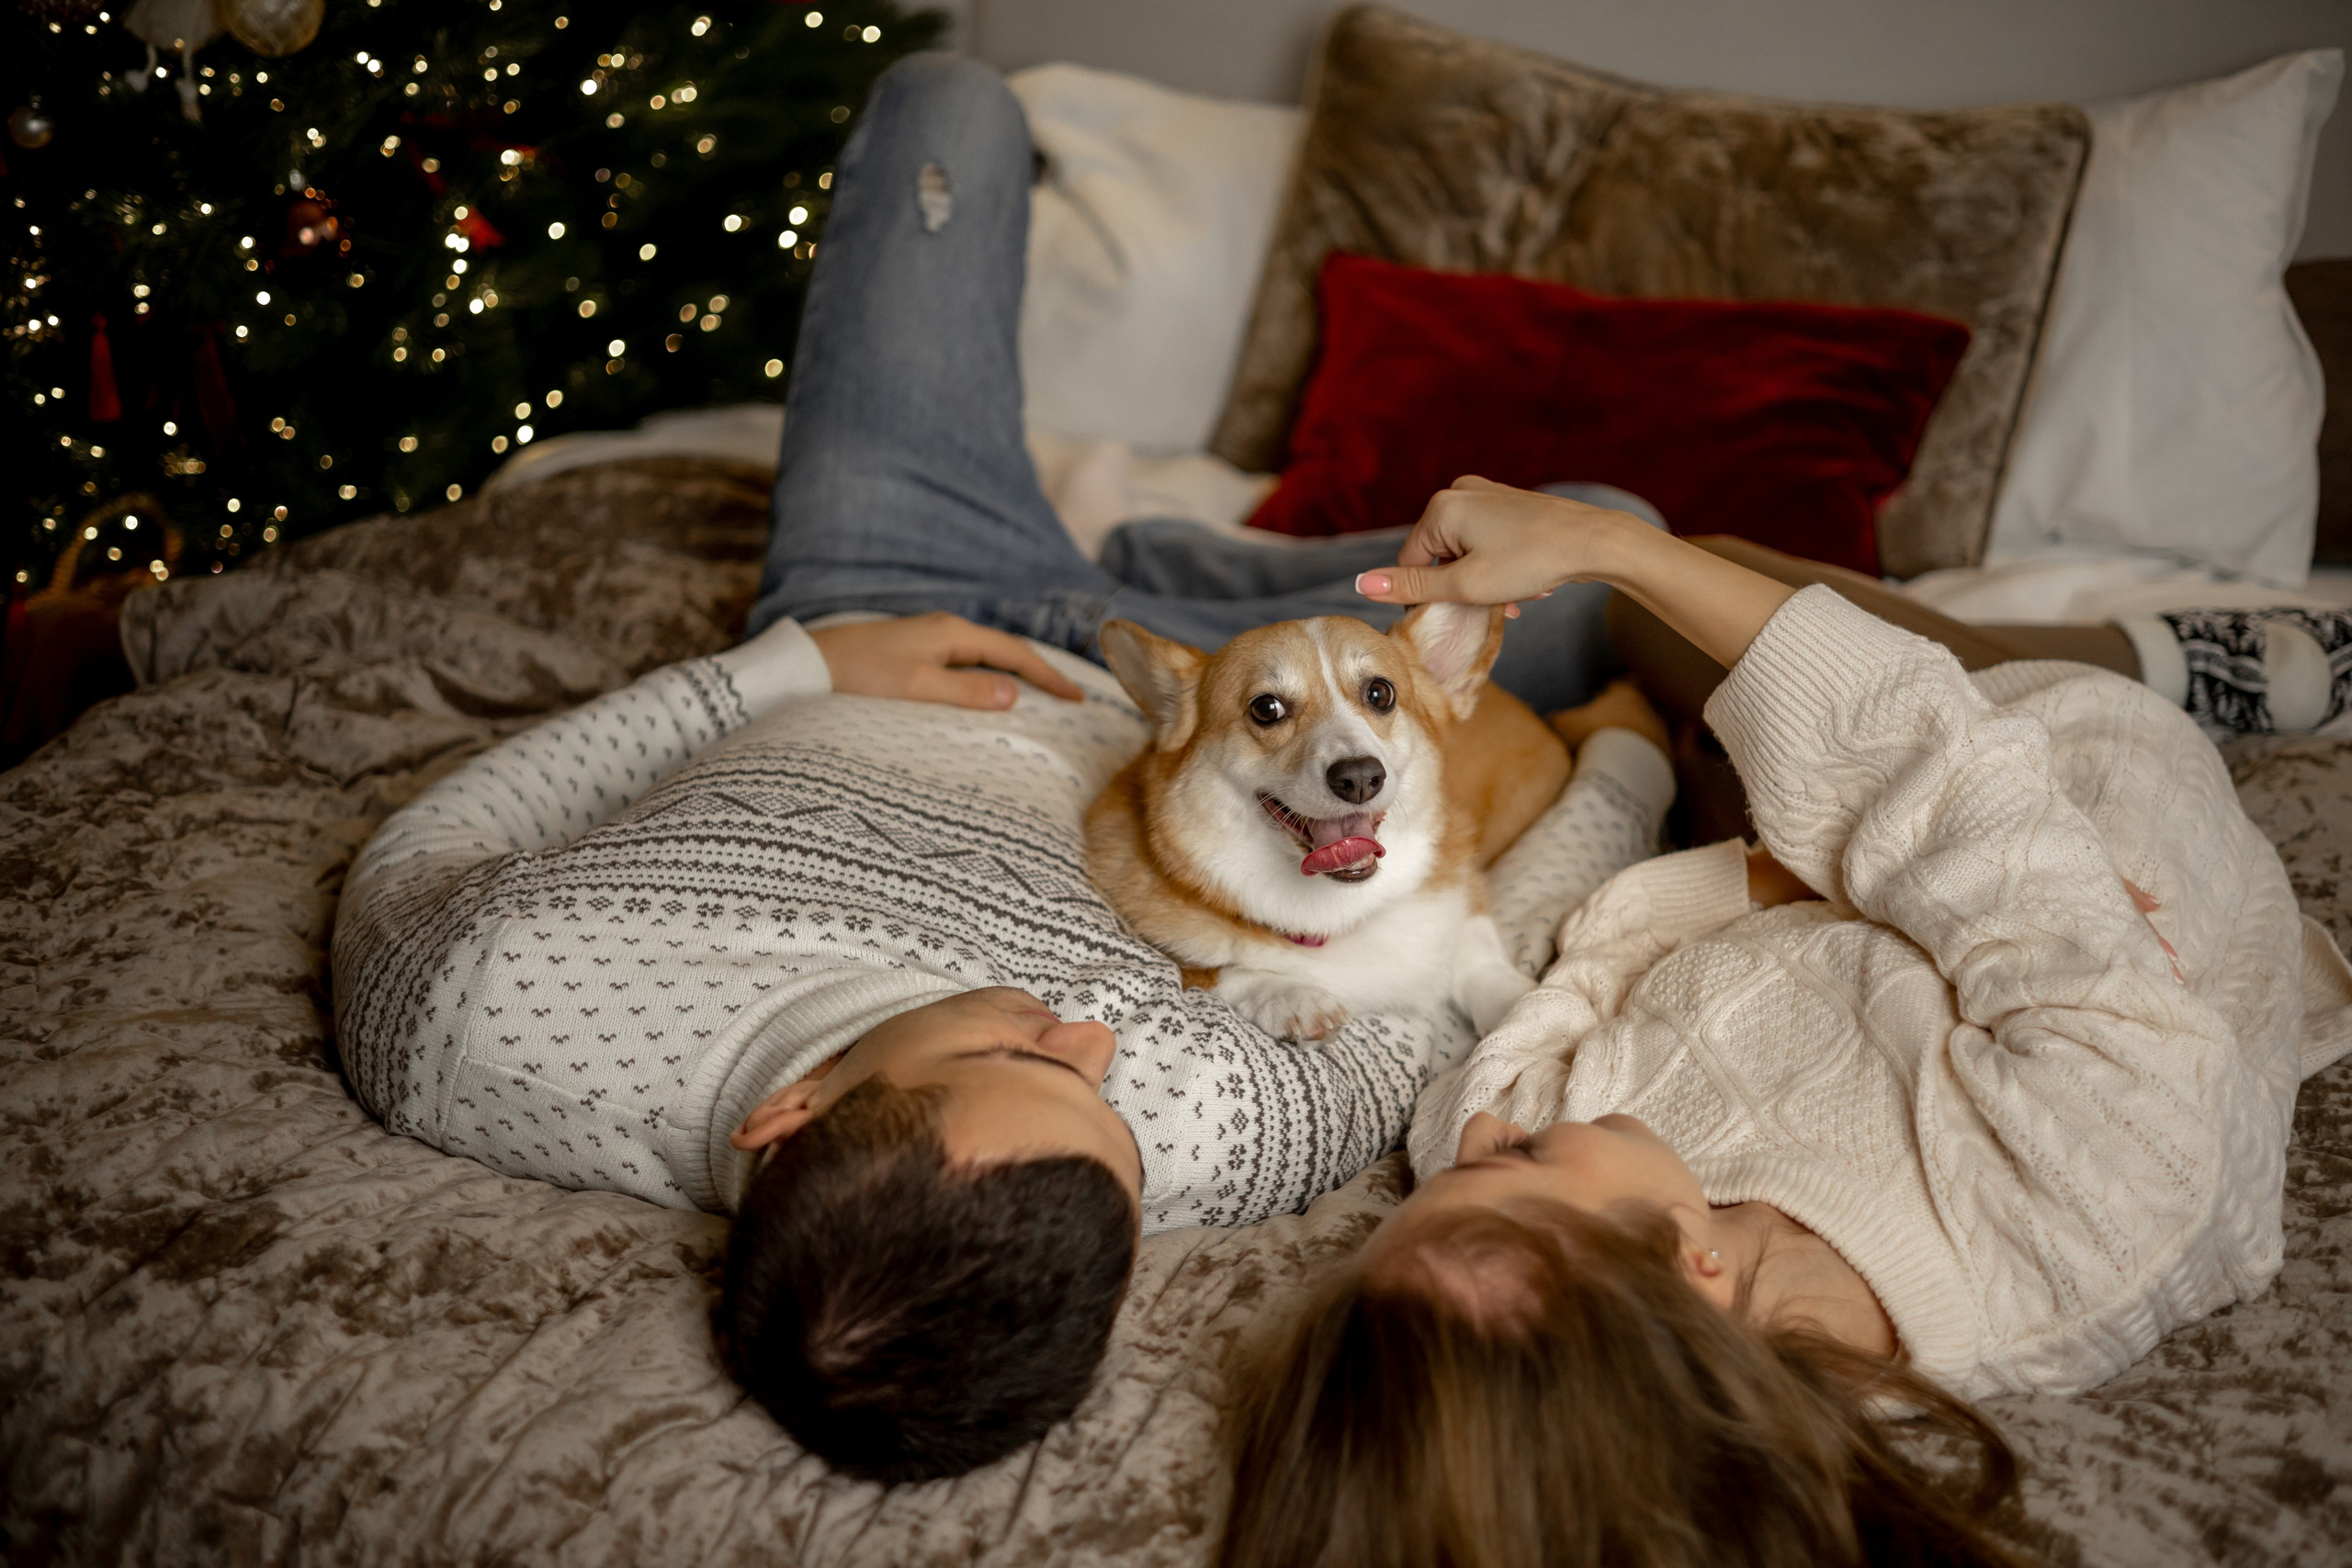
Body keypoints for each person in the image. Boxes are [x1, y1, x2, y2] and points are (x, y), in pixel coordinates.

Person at [330, 58, 1675, 1484]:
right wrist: (1625, 775)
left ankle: (1145, 555)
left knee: (950, 105)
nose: (1093, 1034)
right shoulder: (1187, 1131)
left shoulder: (471, 1012)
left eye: (1010, 1049)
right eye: (1106, 1100)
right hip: (1195, 690)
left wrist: (797, 666)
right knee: (1610, 536)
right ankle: (1167, 564)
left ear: (790, 1113)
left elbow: (436, 835)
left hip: (887, 581)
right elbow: (1439, 958)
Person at [1221, 478, 2352, 1568]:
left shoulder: (1560, 1222)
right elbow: (1950, 784)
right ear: (1687, 1261)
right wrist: (1598, 543)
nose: (1467, 1136)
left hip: (1803, 855)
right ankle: (2181, 666)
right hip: (2071, 753)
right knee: (1654, 576)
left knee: (1678, 635)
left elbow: (1575, 981)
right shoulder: (2090, 1200)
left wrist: (1775, 886)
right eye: (1508, 1162)